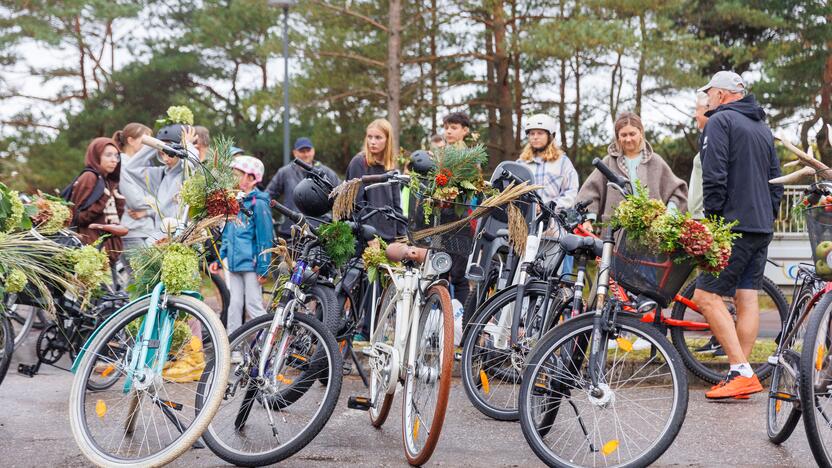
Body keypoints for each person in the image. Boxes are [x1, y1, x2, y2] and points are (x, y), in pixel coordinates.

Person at [692, 71, 783, 400]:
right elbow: (777, 180)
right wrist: (769, 214)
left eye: (710, 93)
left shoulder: (720, 122)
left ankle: (741, 372)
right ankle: (740, 376)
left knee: (706, 297)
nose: (708, 99)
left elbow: (714, 175)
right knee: (746, 298)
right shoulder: (761, 126)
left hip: (733, 226)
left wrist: (715, 223)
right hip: (760, 226)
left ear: (722, 93)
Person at [346, 119, 406, 340]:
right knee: (364, 283)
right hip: (366, 233)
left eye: (378, 138)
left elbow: (396, 204)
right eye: (370, 137)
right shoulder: (359, 163)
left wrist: (402, 236)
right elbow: (354, 203)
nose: (372, 142)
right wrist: (367, 232)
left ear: (387, 140)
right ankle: (361, 329)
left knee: (383, 287)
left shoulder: (392, 168)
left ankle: (374, 330)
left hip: (389, 236)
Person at [577, 112, 688, 230]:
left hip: (650, 233)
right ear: (618, 137)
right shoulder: (608, 162)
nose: (628, 139)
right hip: (614, 233)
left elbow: (677, 192)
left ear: (641, 133)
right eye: (623, 135)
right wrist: (587, 219)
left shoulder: (656, 162)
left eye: (632, 134)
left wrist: (671, 212)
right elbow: (589, 192)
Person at [209, 156, 273, 334]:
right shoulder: (234, 202)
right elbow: (228, 234)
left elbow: (265, 237)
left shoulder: (259, 203)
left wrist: (264, 267)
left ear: (251, 178)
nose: (233, 179)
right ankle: (233, 347)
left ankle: (267, 342)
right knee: (234, 305)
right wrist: (220, 257)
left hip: (252, 266)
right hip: (235, 264)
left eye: (236, 175)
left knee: (254, 305)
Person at [517, 113, 580, 274]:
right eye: (532, 133)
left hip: (554, 230)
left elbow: (571, 193)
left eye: (540, 133)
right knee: (522, 276)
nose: (535, 137)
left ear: (550, 136)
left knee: (550, 277)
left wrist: (548, 207)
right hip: (526, 231)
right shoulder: (521, 163)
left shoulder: (562, 162)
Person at [266, 137, 340, 239]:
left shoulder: (325, 172)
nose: (305, 154)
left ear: (313, 151)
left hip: (320, 230)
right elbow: (267, 195)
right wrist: (267, 215)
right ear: (295, 153)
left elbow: (341, 195)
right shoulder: (285, 172)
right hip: (291, 231)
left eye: (308, 150)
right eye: (302, 151)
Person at [67, 137, 126, 263]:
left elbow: (111, 219)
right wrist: (102, 199)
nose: (114, 160)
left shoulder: (107, 180)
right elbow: (77, 217)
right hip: (92, 252)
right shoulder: (89, 177)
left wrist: (119, 202)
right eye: (108, 155)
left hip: (108, 252)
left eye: (116, 156)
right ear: (96, 156)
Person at [113, 123, 154, 252]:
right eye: (145, 140)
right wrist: (156, 201)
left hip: (148, 231)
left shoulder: (146, 165)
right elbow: (136, 202)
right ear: (130, 140)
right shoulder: (122, 164)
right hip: (132, 232)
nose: (149, 145)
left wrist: (149, 210)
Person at [688, 92, 709, 220]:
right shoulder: (706, 138)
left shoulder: (717, 139)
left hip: (705, 219)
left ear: (707, 109)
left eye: (697, 109)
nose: (695, 114)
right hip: (698, 219)